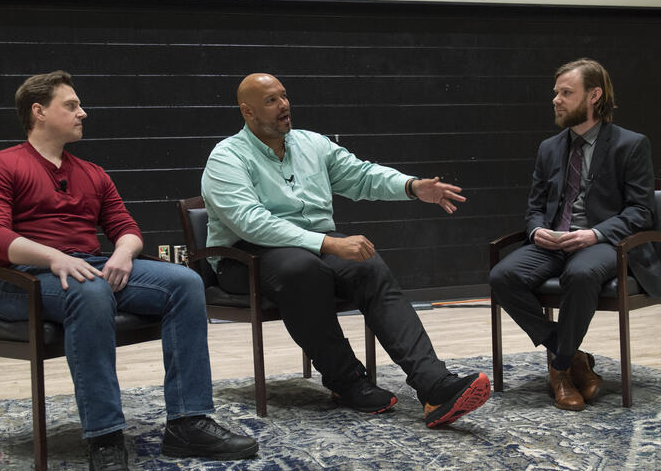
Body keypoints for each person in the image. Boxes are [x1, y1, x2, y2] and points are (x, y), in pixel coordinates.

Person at [0, 71, 258, 471]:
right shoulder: (1, 164)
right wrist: (53, 257)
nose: (82, 112)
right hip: (22, 282)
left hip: (88, 268)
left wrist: (124, 252)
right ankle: (105, 440)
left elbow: (125, 227)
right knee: (91, 291)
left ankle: (187, 423)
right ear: (39, 111)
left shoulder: (91, 172)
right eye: (71, 105)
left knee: (184, 281)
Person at [201, 73, 490, 428]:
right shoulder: (227, 157)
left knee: (367, 266)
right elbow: (250, 222)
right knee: (301, 270)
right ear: (247, 111)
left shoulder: (312, 144)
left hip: (313, 247)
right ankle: (346, 381)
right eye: (272, 101)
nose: (285, 105)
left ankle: (434, 384)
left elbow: (362, 176)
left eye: (285, 96)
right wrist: (329, 242)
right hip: (246, 257)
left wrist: (412, 187)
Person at [489, 58, 661, 411]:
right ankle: (572, 356)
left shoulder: (630, 145)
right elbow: (535, 206)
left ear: (594, 95)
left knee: (581, 273)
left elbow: (640, 212)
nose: (556, 99)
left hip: (605, 243)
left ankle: (559, 370)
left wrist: (594, 234)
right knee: (502, 275)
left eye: (566, 93)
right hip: (554, 241)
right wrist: (537, 228)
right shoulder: (549, 148)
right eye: (556, 93)